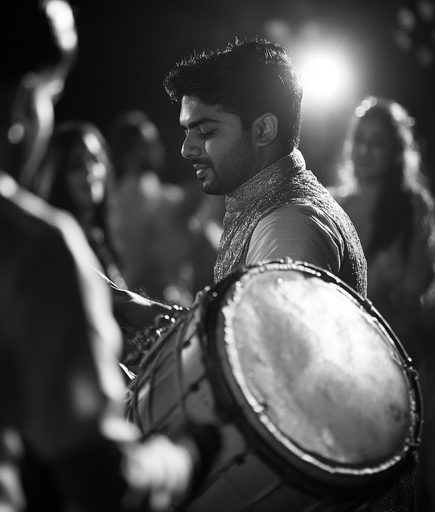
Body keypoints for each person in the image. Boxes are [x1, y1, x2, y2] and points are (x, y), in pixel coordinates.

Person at [0, 1, 219, 511]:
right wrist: (189, 451)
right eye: (52, 95)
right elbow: (104, 486)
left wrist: (117, 301)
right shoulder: (28, 241)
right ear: (20, 103)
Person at [112, 37, 416, 511]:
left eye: (206, 131)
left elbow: (261, 386)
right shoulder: (268, 202)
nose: (187, 147)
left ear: (263, 129)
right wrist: (135, 308)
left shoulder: (290, 224)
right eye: (187, 130)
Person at [331, 96, 435, 512]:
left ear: (396, 152)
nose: (365, 151)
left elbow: (412, 294)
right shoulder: (334, 205)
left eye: (378, 143)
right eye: (360, 141)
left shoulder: (414, 209)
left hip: (400, 360)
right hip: (341, 360)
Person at [107, 110, 205, 306]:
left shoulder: (122, 196)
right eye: (149, 143)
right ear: (130, 152)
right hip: (149, 306)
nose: (158, 148)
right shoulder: (134, 197)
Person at [32, 120, 127, 288]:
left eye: (95, 159)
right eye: (75, 165)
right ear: (58, 176)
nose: (89, 171)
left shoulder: (100, 234)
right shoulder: (57, 243)